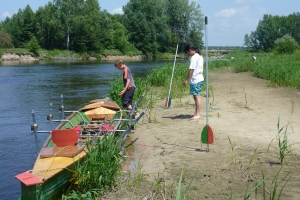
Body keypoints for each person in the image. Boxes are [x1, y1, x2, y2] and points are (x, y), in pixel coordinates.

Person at [183, 44, 204, 120]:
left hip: (196, 79)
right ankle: (196, 113)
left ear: (190, 50)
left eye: (187, 52)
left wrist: (186, 80)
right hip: (198, 78)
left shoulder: (194, 57)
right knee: (195, 96)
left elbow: (191, 70)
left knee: (196, 96)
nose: (188, 54)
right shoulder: (199, 56)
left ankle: (198, 114)